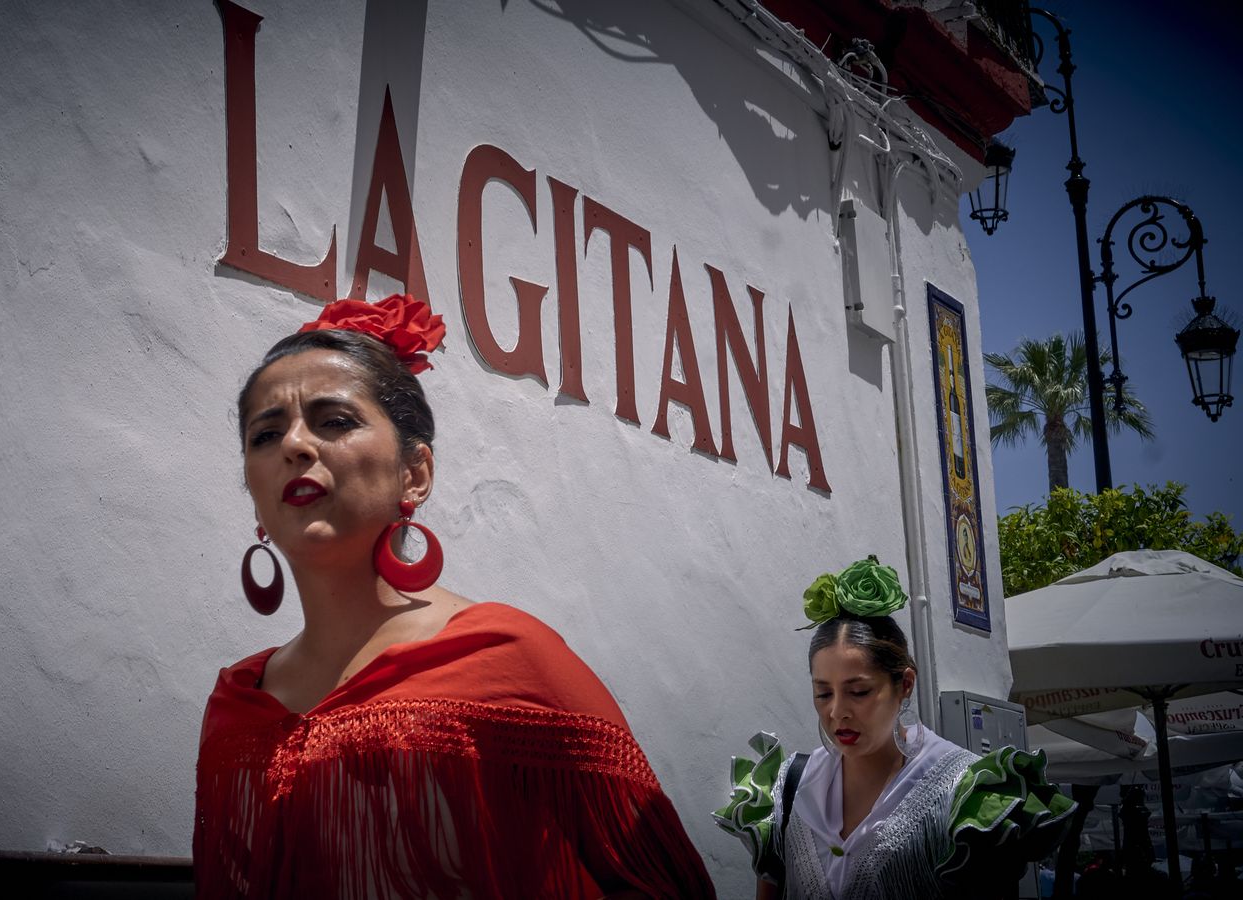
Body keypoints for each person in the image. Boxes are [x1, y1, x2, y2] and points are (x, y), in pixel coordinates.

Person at [194, 294, 714, 899]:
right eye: (266, 433)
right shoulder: (236, 706)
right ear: (254, 492)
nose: (295, 446)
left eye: (335, 421)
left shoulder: (509, 658)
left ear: (414, 473)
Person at [713, 556, 1076, 899]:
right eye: (823, 693)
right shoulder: (788, 788)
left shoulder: (964, 793)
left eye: (859, 691)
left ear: (905, 685)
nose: (838, 711)